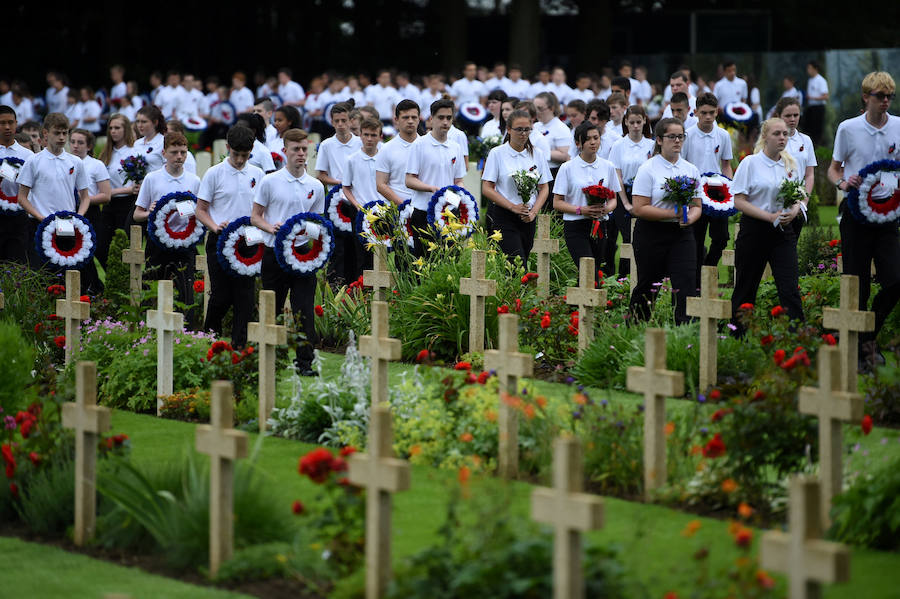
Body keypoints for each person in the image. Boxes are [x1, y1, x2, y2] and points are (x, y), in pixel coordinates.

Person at [827, 71, 900, 368]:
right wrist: (843, 183)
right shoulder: (848, 128)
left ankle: (869, 337)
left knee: (895, 280)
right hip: (855, 215)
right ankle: (859, 350)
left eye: (890, 97)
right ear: (866, 97)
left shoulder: (898, 126)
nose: (886, 102)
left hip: (888, 215)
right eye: (880, 96)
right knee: (857, 286)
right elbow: (834, 169)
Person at [250, 128, 324, 376]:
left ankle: (305, 363)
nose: (301, 154)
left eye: (304, 149)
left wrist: (307, 236)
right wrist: (271, 227)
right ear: (285, 151)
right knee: (272, 306)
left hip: (303, 254)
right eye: (296, 149)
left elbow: (317, 222)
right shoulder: (270, 181)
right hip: (274, 252)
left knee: (304, 309)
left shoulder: (315, 185)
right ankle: (267, 358)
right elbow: (255, 217)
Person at [730, 117, 805, 332]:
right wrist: (768, 216)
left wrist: (795, 210)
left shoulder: (791, 164)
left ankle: (798, 338)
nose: (782, 138)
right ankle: (737, 337)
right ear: (765, 136)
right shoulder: (750, 163)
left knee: (789, 288)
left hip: (783, 232)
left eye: (785, 134)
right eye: (777, 134)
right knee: (746, 288)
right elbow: (738, 200)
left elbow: (798, 196)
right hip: (754, 231)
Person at [628, 118, 701, 324]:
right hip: (651, 233)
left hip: (682, 234)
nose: (677, 141)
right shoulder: (648, 168)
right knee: (648, 284)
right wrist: (673, 214)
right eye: (672, 137)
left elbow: (697, 205)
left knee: (686, 283)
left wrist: (689, 218)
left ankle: (685, 330)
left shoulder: (690, 169)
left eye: (681, 137)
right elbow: (639, 208)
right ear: (659, 140)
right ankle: (635, 327)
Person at [196, 126, 264, 347]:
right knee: (221, 295)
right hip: (220, 240)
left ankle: (239, 347)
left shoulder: (258, 174)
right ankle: (209, 338)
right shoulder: (214, 173)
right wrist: (215, 226)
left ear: (251, 151)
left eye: (245, 155)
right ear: (227, 148)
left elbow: (262, 210)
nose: (240, 160)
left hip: (249, 241)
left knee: (245, 298)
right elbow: (200, 210)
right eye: (236, 154)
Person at [132, 132, 201, 327]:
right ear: (164, 153)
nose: (179, 157)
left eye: (183, 152)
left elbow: (201, 213)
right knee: (150, 286)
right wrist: (150, 212)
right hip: (157, 242)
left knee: (186, 288)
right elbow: (137, 214)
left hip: (184, 243)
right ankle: (146, 328)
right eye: (174, 152)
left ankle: (187, 330)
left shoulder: (194, 181)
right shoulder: (152, 179)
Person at [17, 113, 90, 268]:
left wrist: (79, 218)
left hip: (68, 224)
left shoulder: (76, 162)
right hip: (39, 224)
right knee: (40, 273)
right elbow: (22, 197)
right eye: (57, 133)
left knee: (67, 270)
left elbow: (85, 197)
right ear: (45, 133)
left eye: (65, 133)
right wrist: (41, 218)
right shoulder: (34, 161)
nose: (62, 137)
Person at [482, 109, 552, 266]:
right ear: (508, 129)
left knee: (520, 262)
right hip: (504, 215)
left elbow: (544, 188)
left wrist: (533, 212)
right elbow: (487, 188)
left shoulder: (537, 154)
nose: (523, 133)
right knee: (517, 264)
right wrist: (512, 207)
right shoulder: (497, 153)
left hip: (528, 217)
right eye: (519, 129)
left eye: (527, 129)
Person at [552, 122, 619, 285]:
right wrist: (581, 210)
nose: (593, 142)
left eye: (596, 138)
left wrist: (605, 210)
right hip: (576, 226)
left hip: (599, 225)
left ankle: (579, 300)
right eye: (588, 139)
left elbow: (613, 199)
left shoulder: (608, 166)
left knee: (592, 271)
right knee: (588, 270)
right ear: (578, 143)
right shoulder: (567, 168)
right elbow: (557, 203)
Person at [682, 92, 734, 285]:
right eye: (703, 113)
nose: (708, 117)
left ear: (717, 112)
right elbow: (683, 164)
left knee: (722, 237)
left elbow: (726, 164)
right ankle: (697, 282)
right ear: (696, 112)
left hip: (717, 192)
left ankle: (709, 266)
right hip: (695, 192)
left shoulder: (723, 135)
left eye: (712, 112)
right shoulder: (688, 135)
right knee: (696, 238)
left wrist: (730, 189)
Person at [405, 98, 466, 257]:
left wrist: (462, 194)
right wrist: (432, 189)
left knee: (450, 260)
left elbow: (458, 180)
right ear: (431, 119)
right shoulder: (419, 145)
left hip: (449, 212)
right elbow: (409, 180)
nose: (445, 122)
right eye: (441, 117)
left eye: (449, 118)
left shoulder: (456, 147)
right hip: (423, 211)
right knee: (424, 261)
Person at [317, 101, 363, 285]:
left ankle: (357, 284)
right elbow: (321, 175)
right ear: (332, 122)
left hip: (356, 199)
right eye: (337, 121)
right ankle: (336, 285)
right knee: (338, 247)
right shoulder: (327, 145)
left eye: (344, 120)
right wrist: (341, 183)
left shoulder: (359, 142)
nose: (341, 124)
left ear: (350, 121)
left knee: (357, 245)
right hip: (336, 202)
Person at [607, 105, 654, 278]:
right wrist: (626, 203)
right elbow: (617, 175)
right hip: (623, 194)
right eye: (632, 122)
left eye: (638, 122)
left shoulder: (651, 145)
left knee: (643, 236)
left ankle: (642, 274)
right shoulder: (619, 145)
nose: (635, 126)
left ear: (644, 122)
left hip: (645, 195)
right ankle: (623, 276)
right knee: (628, 236)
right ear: (626, 122)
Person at [69, 128, 111, 294]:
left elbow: (106, 195)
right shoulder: (66, 162)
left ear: (89, 146)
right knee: (78, 254)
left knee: (99, 251)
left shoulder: (95, 165)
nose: (75, 146)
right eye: (72, 142)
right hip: (70, 212)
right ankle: (91, 286)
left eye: (80, 143)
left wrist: (84, 199)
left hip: (91, 213)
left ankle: (111, 284)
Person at [343, 118, 383, 270]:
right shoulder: (351, 160)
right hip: (360, 212)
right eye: (366, 135)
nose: (369, 139)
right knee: (362, 255)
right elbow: (346, 187)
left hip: (382, 212)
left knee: (382, 255)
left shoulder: (384, 157)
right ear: (360, 135)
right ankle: (362, 284)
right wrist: (357, 205)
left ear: (380, 136)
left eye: (373, 135)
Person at [773, 96, 816, 237]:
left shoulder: (806, 140)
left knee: (792, 242)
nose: (792, 119)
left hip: (797, 202)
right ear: (778, 115)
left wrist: (803, 203)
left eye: (796, 115)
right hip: (774, 201)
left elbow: (809, 174)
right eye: (788, 115)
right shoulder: (771, 139)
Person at [97, 113, 136, 268]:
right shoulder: (107, 152)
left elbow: (136, 185)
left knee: (124, 245)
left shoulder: (133, 151)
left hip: (127, 203)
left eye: (117, 128)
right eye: (111, 128)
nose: (113, 131)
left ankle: (126, 277)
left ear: (126, 129)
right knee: (101, 245)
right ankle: (113, 275)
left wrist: (116, 191)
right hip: (109, 203)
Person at [0, 105, 33, 264]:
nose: (7, 127)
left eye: (11, 122)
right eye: (2, 123)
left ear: (16, 124)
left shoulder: (28, 155)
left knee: (17, 264)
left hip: (19, 215)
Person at [376, 99, 420, 206]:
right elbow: (381, 185)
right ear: (396, 120)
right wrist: (404, 206)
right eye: (405, 117)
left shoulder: (428, 146)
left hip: (425, 208)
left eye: (414, 117)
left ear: (419, 119)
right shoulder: (386, 149)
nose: (410, 121)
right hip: (397, 209)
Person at [533, 92, 571, 177]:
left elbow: (565, 155)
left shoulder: (561, 128)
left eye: (540, 108)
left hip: (552, 173)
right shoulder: (535, 126)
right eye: (535, 109)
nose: (537, 112)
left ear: (551, 108)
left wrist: (538, 151)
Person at [133, 105, 167, 173]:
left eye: (144, 122)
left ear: (155, 122)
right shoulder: (137, 143)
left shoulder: (163, 142)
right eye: (138, 121)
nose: (140, 125)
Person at [805, 61, 829, 146]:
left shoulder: (821, 80)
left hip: (818, 107)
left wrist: (812, 98)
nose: (808, 70)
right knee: (809, 128)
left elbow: (826, 96)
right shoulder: (810, 80)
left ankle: (818, 146)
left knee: (817, 129)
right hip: (811, 107)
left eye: (810, 68)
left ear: (815, 69)